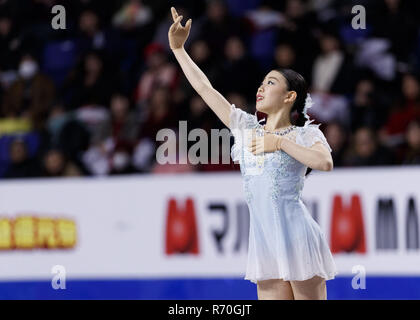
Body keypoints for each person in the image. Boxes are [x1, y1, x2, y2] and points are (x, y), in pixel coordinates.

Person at [168, 7, 337, 300]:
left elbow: (325, 162)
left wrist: (281, 143)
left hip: (297, 237)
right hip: (264, 242)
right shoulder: (246, 128)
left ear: (289, 96)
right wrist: (179, 50)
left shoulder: (304, 133)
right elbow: (205, 89)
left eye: (271, 83)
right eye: (261, 82)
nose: (261, 87)